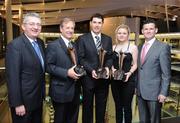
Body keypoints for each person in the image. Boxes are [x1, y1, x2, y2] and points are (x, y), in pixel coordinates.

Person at [5, 13, 45, 123]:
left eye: (38, 24)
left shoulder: (40, 43)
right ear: (23, 26)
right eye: (32, 24)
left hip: (37, 101)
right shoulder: (15, 46)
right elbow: (12, 78)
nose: (36, 27)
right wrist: (17, 103)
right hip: (23, 104)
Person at [76, 13, 112, 123]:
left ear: (102, 24)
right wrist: (91, 70)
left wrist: (106, 67)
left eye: (99, 23)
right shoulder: (82, 39)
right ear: (91, 23)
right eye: (94, 22)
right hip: (88, 79)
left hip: (103, 81)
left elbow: (110, 57)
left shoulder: (108, 39)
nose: (97, 25)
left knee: (101, 109)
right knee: (87, 108)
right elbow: (81, 58)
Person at [46, 17, 81, 123]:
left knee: (73, 119)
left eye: (72, 28)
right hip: (60, 91)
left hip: (75, 90)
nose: (70, 30)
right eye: (67, 28)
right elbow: (48, 66)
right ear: (61, 29)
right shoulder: (53, 46)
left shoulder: (74, 45)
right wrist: (66, 72)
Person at [137, 19, 171, 123]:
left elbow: (166, 73)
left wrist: (163, 93)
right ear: (142, 31)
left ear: (156, 30)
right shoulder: (139, 47)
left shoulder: (162, 47)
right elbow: (139, 69)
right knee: (143, 120)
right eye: (146, 29)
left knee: (154, 120)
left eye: (151, 29)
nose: (148, 31)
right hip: (140, 92)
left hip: (155, 93)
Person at [111, 24, 138, 123]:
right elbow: (110, 63)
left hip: (128, 81)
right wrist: (112, 69)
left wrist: (129, 73)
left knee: (127, 107)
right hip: (115, 81)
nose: (121, 35)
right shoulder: (113, 47)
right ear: (116, 35)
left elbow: (135, 64)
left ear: (128, 35)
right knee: (118, 107)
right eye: (119, 33)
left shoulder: (133, 47)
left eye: (124, 33)